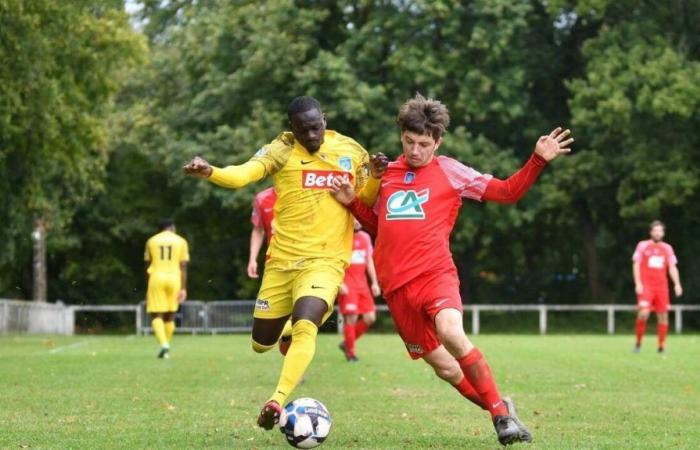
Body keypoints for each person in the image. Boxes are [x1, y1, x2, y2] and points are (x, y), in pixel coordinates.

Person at [330, 93, 573, 446]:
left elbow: (506, 192)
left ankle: (501, 419)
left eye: (424, 144)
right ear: (402, 137)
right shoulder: (386, 175)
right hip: (397, 289)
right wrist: (353, 202)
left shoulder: (450, 171)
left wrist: (537, 160)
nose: (415, 150)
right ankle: (501, 408)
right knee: (445, 369)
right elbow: (381, 228)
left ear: (438, 142)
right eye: (409, 142)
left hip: (435, 275)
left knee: (452, 333)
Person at [183, 96, 383, 430]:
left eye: (316, 126)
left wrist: (374, 176)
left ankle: (276, 400)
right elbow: (243, 174)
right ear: (292, 127)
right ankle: (288, 329)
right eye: (303, 129)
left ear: (325, 118)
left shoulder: (350, 151)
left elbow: (365, 201)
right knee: (261, 344)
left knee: (308, 324)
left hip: (325, 261)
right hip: (282, 264)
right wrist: (211, 172)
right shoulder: (281, 150)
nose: (311, 135)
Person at [248, 187, 294, 355]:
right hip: (275, 266)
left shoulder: (307, 189)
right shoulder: (262, 198)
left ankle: (295, 372)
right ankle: (284, 334)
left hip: (305, 262)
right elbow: (258, 230)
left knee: (302, 317)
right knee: (281, 324)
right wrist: (252, 259)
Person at [632, 220, 682, 353]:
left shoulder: (667, 248)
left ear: (663, 233)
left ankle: (661, 346)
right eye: (655, 230)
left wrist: (677, 284)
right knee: (643, 313)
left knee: (663, 316)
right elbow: (636, 264)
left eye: (660, 231)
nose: (658, 233)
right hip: (646, 286)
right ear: (650, 232)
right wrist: (638, 283)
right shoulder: (642, 246)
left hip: (661, 287)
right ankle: (638, 343)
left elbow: (672, 267)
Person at [144, 219, 189, 359]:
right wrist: (183, 288)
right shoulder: (181, 241)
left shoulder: (151, 241)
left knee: (156, 314)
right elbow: (183, 266)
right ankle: (166, 347)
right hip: (174, 278)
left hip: (156, 277)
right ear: (172, 228)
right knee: (170, 315)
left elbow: (147, 265)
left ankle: (164, 344)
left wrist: (148, 286)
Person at [337, 219, 381, 362]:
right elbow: (333, 261)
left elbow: (369, 260)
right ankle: (351, 354)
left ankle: (347, 343)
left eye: (358, 218)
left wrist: (374, 283)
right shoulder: (340, 237)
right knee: (352, 317)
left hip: (362, 284)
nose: (357, 221)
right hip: (347, 284)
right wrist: (339, 283)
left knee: (370, 318)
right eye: (354, 218)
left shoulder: (365, 237)